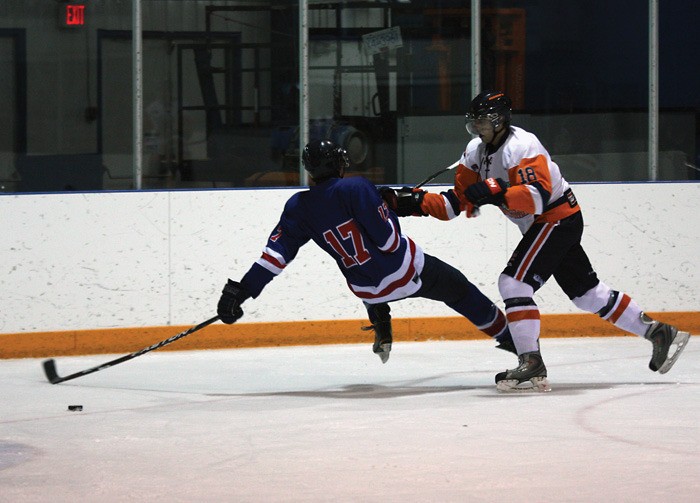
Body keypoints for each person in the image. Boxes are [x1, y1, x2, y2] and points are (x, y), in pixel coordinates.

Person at [386, 90, 690, 391]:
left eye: (483, 121)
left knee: (513, 283)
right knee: (587, 295)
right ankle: (659, 332)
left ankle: (531, 362)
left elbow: (538, 198)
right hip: (548, 223)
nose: (478, 127)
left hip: (555, 218)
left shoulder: (523, 146)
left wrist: (497, 190)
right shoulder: (475, 152)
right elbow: (458, 202)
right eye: (475, 122)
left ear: (500, 121)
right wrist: (413, 204)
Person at [216, 139, 516, 365]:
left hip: (366, 291)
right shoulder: (357, 187)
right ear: (340, 164)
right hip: (407, 274)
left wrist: (240, 291)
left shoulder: (298, 206)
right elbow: (388, 243)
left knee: (368, 274)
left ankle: (381, 320)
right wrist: (386, 206)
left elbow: (273, 259)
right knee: (460, 290)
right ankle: (509, 338)